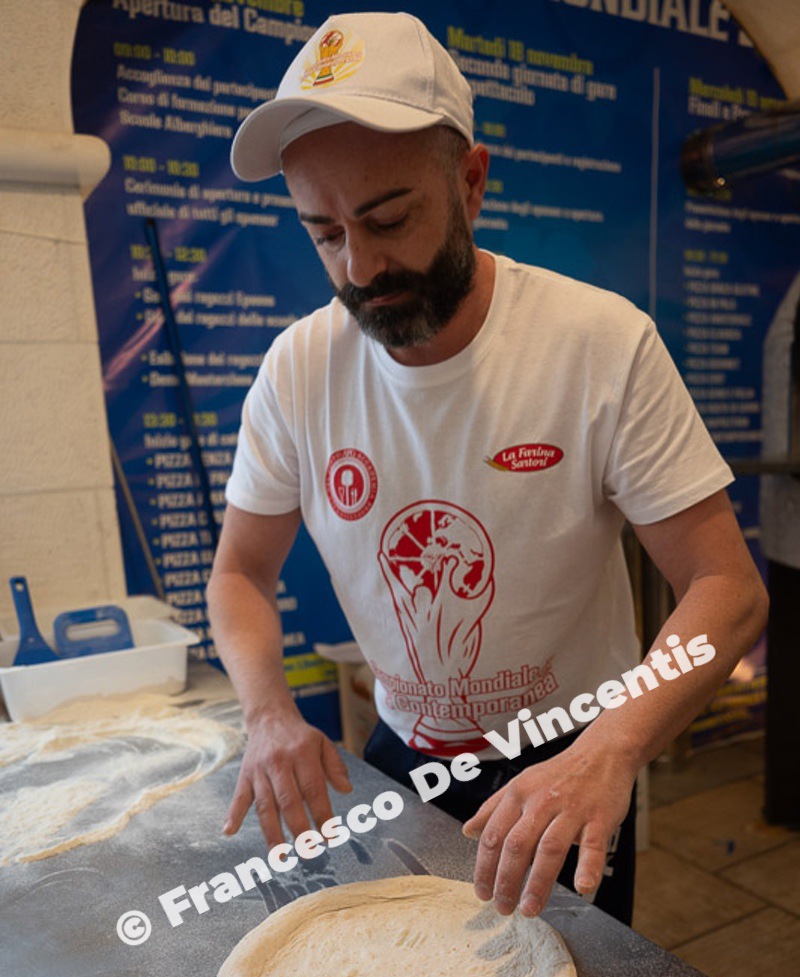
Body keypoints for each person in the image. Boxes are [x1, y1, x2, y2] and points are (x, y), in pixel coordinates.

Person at [207, 11, 768, 926]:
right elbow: (238, 572)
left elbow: (728, 592)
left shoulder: (598, 343)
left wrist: (612, 749)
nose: (361, 267)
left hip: (570, 752)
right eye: (325, 234)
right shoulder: (298, 371)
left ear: (470, 184)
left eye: (389, 219)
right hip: (405, 754)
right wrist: (267, 711)